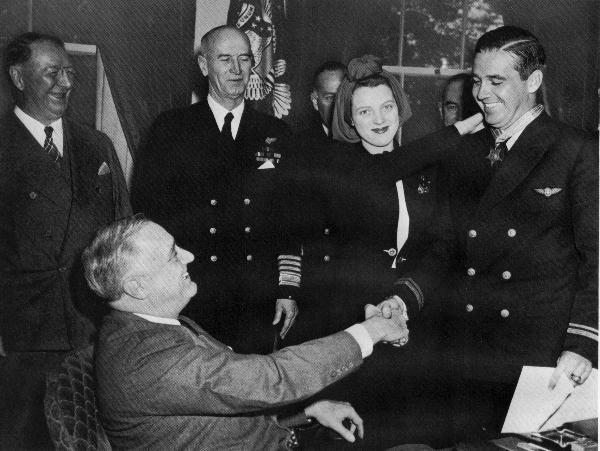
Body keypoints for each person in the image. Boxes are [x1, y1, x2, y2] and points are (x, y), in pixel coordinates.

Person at [375, 25, 598, 441]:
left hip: (540, 357)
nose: (482, 93)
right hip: (465, 350)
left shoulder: (576, 152)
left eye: (497, 81)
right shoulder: (465, 151)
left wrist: (583, 345)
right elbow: (442, 245)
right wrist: (403, 299)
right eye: (478, 80)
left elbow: (597, 260)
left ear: (533, 81)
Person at [84, 215, 409, 451]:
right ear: (137, 286)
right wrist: (372, 330)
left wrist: (306, 412)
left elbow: (220, 410)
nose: (189, 257)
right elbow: (271, 380)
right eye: (173, 254)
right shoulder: (148, 362)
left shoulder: (143, 325)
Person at [131, 25, 298, 354]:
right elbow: (148, 215)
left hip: (257, 295)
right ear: (205, 66)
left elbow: (290, 218)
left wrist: (286, 289)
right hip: (193, 294)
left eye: (244, 59)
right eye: (225, 59)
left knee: (255, 392)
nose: (237, 70)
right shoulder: (171, 129)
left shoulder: (276, 133)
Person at [0, 32, 131, 449]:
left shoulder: (97, 144)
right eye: (51, 73)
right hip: (23, 335)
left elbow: (123, 234)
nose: (65, 83)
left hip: (92, 330)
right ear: (18, 78)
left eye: (69, 72)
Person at [309, 61, 346, 139]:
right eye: (330, 98)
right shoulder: (298, 145)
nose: (337, 107)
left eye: (343, 97)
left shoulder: (368, 142)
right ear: (315, 101)